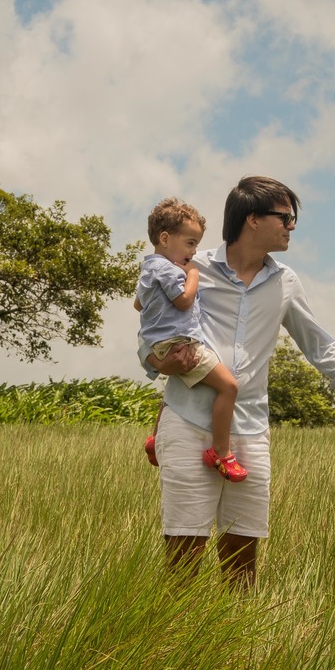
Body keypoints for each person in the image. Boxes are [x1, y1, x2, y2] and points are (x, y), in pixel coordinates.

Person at [141, 176, 335, 586]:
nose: (292, 227)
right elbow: (151, 326)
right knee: (183, 554)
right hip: (187, 421)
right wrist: (156, 361)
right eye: (285, 217)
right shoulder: (190, 268)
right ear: (252, 219)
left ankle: (233, 644)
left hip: (250, 430)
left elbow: (318, 344)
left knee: (242, 556)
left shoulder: (285, 281)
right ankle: (169, 646)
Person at [136, 198, 245, 481]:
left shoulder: (148, 269)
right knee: (229, 387)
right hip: (180, 342)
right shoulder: (169, 269)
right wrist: (193, 275)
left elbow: (139, 305)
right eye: (190, 243)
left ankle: (155, 438)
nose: (194, 252)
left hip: (159, 341)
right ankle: (220, 452)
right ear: (164, 238)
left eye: (196, 244)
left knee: (174, 390)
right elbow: (184, 301)